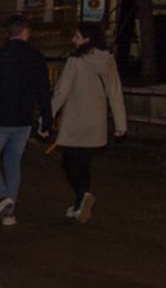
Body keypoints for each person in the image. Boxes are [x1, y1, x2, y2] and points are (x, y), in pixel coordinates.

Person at [0, 15, 53, 226]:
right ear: (26, 32)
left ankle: (2, 196)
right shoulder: (36, 58)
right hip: (24, 119)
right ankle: (9, 214)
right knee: (13, 163)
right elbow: (44, 90)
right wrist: (46, 118)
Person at [51, 22, 126, 223]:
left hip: (75, 121)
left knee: (69, 164)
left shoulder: (75, 62)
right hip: (96, 123)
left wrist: (48, 115)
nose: (73, 40)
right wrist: (120, 124)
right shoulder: (108, 61)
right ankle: (79, 204)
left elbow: (61, 92)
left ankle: (82, 195)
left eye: (77, 36)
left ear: (87, 39)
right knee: (84, 164)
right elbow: (115, 93)